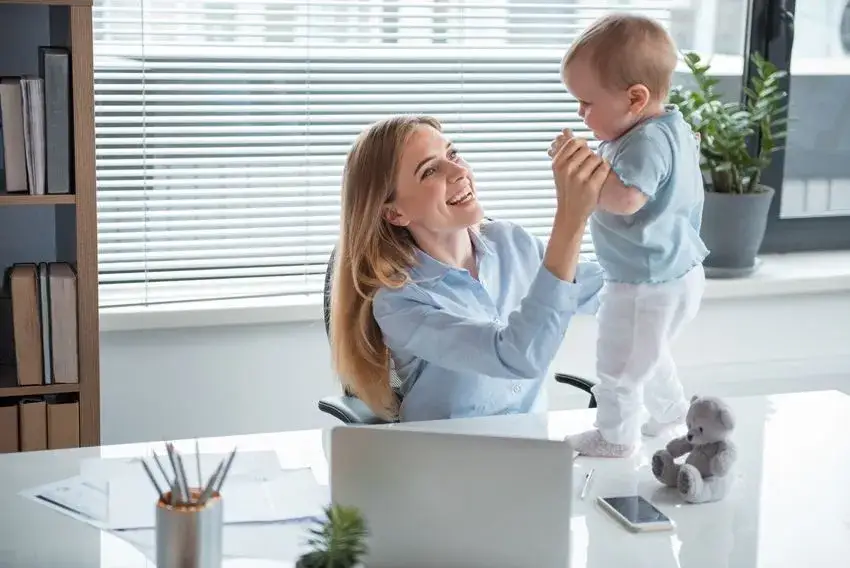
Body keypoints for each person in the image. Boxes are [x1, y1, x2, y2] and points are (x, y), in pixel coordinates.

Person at [329, 115, 609, 422]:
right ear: (395, 213)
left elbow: (612, 286)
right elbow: (518, 357)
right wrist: (571, 216)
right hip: (449, 449)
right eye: (430, 170)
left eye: (452, 154)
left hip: (532, 444)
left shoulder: (511, 242)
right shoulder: (399, 302)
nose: (460, 171)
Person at [556, 14, 709, 457]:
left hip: (646, 281)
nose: (580, 113)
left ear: (635, 98)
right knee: (649, 352)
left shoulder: (645, 142)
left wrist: (579, 169)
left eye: (587, 102)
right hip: (672, 271)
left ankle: (615, 437)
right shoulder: (667, 128)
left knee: (619, 362)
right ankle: (671, 413)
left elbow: (626, 199)